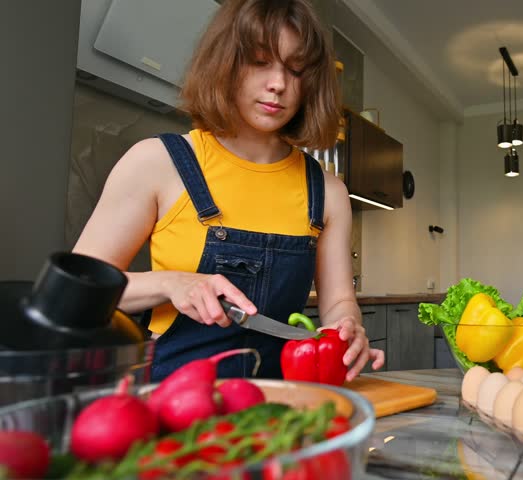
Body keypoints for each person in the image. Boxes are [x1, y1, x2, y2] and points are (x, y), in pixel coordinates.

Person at [73, 0, 384, 381]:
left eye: (296, 70)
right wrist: (170, 283)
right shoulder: (156, 162)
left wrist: (348, 327)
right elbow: (81, 291)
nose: (278, 84)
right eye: (259, 62)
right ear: (225, 64)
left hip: (280, 399)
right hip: (175, 399)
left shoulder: (328, 191)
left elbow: (337, 301)